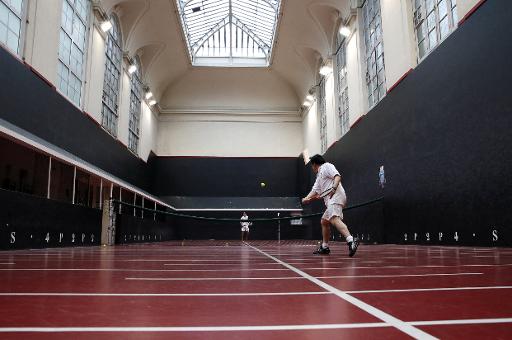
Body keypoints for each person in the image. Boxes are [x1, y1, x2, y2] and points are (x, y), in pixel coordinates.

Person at [301, 154, 359, 257]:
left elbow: (337, 176)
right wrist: (306, 198)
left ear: (314, 164)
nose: (312, 167)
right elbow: (315, 190)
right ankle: (325, 247)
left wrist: (333, 188)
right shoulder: (319, 176)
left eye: (312, 165)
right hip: (331, 200)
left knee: (334, 219)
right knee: (324, 221)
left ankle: (351, 241)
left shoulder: (327, 166)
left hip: (335, 196)